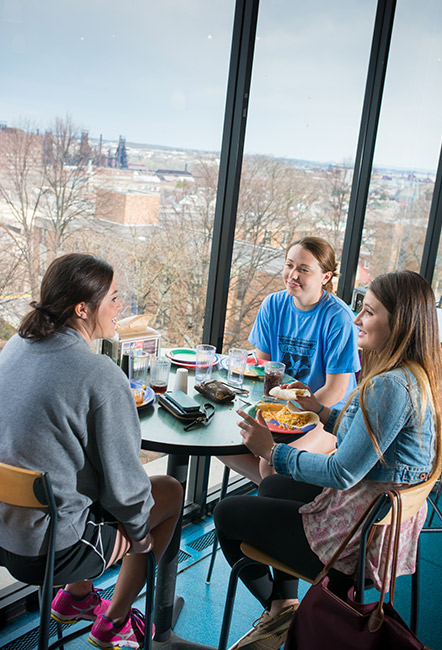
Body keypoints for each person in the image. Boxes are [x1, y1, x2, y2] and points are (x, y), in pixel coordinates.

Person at [214, 270, 442, 650]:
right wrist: (320, 409)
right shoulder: (417, 377)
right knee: (270, 484)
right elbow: (372, 442)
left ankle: (280, 608)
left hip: (352, 542)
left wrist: (271, 450)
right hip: (377, 527)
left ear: (398, 323)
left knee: (226, 514)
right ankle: (285, 607)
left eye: (368, 312)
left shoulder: (388, 385)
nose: (356, 320)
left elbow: (343, 471)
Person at [0, 254, 183, 650]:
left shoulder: (16, 345)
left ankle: (77, 598)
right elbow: (126, 488)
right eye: (114, 298)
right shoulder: (99, 374)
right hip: (52, 553)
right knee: (167, 491)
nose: (121, 308)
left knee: (85, 483)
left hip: (4, 529)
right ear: (83, 308)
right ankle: (115, 621)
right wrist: (142, 540)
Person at [221, 236, 360, 484]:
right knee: (225, 441)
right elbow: (262, 369)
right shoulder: (273, 304)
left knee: (271, 467)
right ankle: (274, 495)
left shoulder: (339, 318)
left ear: (325, 277)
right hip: (278, 411)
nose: (292, 275)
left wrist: (291, 415)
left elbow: (337, 390)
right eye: (289, 265)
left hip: (326, 417)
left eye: (304, 269)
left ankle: (275, 495)